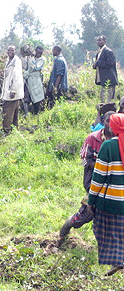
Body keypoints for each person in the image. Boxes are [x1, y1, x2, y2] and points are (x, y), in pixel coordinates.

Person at [60, 111, 114, 237]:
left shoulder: (119, 141)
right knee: (86, 215)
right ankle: (69, 224)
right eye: (107, 121)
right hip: (93, 182)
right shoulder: (93, 138)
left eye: (113, 123)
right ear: (103, 122)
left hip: (112, 184)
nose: (110, 125)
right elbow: (85, 160)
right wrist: (102, 167)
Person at [88, 113, 124, 276]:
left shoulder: (108, 146)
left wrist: (91, 200)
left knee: (102, 229)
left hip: (111, 202)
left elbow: (98, 177)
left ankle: (118, 260)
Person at [1, 45, 24, 134]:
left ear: (15, 51)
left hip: (12, 92)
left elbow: (17, 77)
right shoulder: (8, 61)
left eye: (12, 50)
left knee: (7, 113)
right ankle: (14, 131)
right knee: (14, 113)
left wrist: (13, 90)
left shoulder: (16, 62)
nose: (10, 52)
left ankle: (6, 131)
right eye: (9, 50)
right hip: (8, 90)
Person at [93, 35, 118, 103]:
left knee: (108, 100)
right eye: (97, 40)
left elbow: (111, 63)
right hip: (104, 80)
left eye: (100, 40)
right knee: (103, 99)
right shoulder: (99, 52)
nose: (98, 42)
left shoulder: (108, 51)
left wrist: (98, 63)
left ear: (105, 41)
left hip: (109, 79)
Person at [22, 45, 45, 115]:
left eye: (40, 53)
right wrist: (25, 57)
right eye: (38, 52)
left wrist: (31, 59)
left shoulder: (42, 59)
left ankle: (36, 114)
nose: (39, 54)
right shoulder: (29, 57)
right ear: (35, 51)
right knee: (26, 97)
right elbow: (25, 66)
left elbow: (36, 67)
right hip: (28, 80)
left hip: (36, 80)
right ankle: (26, 114)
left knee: (37, 98)